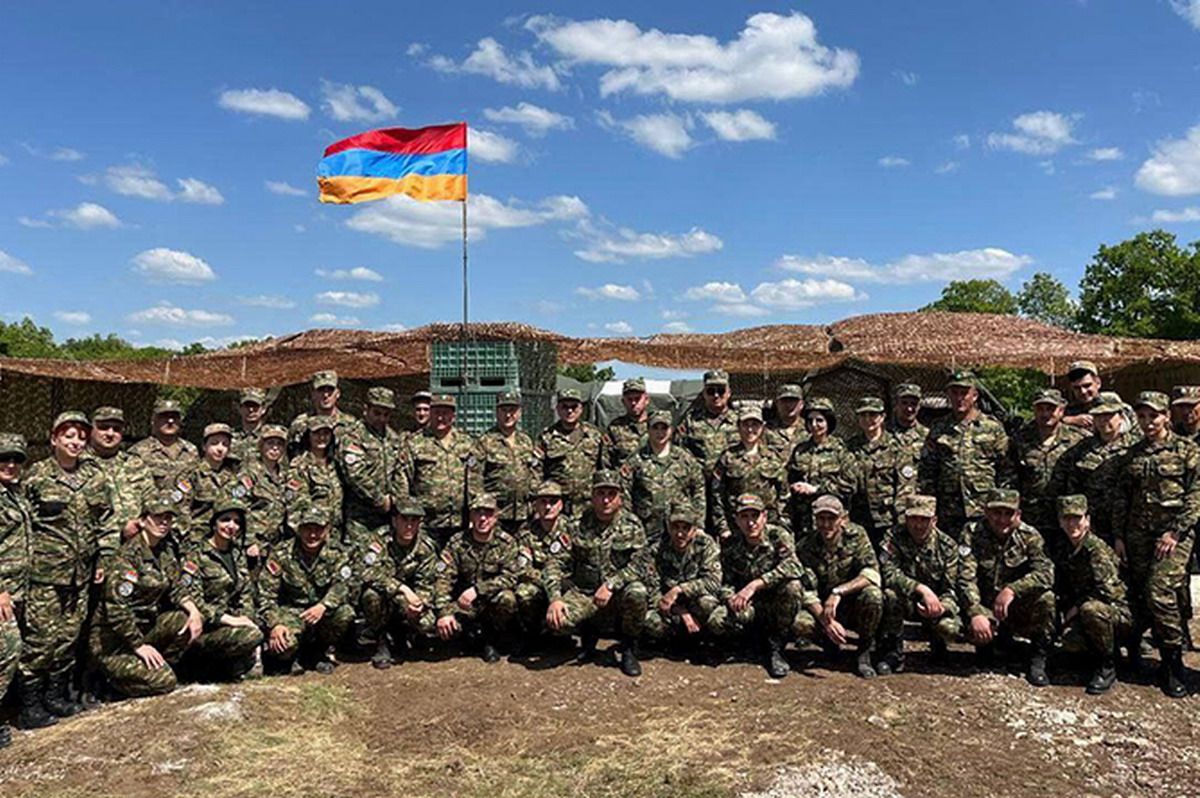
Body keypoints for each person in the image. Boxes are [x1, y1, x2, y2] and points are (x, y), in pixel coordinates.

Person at [19, 412, 115, 723]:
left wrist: (104, 557)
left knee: (68, 638)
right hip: (45, 575)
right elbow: (22, 526)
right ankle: (30, 706)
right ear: (54, 439)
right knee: (41, 640)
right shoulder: (36, 477)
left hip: (81, 575)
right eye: (68, 436)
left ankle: (55, 696)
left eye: (81, 437)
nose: (76, 442)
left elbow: (107, 521)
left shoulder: (94, 477)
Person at [1112, 391, 1200, 698]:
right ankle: (1136, 653)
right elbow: (1122, 498)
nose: (1148, 422)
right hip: (1137, 536)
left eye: (1154, 416)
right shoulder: (1133, 454)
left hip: (1174, 537)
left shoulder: (1187, 450)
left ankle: (1172, 663)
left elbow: (1196, 495)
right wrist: (1119, 536)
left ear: (1166, 416)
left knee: (1160, 591)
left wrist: (1175, 532)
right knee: (1138, 592)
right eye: (1142, 416)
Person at [89, 493, 204, 698]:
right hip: (114, 642)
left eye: (168, 518)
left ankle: (158, 667)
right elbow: (116, 609)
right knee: (165, 682)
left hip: (144, 630)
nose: (164, 522)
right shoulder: (128, 557)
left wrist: (194, 611)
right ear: (142, 521)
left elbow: (176, 588)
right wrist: (138, 645)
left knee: (183, 620)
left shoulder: (164, 552)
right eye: (158, 517)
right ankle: (109, 681)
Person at [543, 470, 650, 677]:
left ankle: (628, 648)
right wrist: (555, 599)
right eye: (601, 494)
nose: (606, 500)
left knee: (638, 592)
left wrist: (612, 584)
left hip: (617, 593)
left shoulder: (632, 525)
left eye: (611, 494)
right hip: (585, 593)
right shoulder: (576, 524)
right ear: (592, 496)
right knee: (558, 622)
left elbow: (641, 565)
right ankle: (588, 631)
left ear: (620, 498)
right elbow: (554, 563)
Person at [708, 493, 813, 678]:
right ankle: (752, 641)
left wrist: (757, 584)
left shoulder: (778, 535)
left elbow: (794, 566)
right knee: (717, 622)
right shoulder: (731, 545)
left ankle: (777, 648)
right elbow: (725, 582)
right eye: (744, 516)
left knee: (794, 590)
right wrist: (730, 598)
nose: (750, 523)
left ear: (764, 516)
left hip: (777, 603)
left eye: (755, 516)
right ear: (736, 520)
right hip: (749, 604)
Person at [961, 489, 1056, 686]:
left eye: (1008, 513)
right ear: (986, 512)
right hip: (985, 604)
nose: (1002, 519)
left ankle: (1038, 657)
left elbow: (1046, 574)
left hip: (1015, 606)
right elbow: (965, 577)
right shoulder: (972, 532)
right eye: (997, 513)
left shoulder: (1029, 536)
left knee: (1046, 599)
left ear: (1018, 515)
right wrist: (975, 611)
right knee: (956, 624)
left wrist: (1012, 590)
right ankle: (990, 643)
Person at [878, 495, 971, 673]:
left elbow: (951, 588)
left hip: (935, 603)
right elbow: (887, 573)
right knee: (889, 595)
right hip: (907, 600)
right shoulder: (894, 537)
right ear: (906, 519)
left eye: (924, 519)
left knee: (950, 628)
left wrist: (941, 607)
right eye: (913, 518)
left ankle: (938, 645)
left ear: (934, 521)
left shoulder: (947, 546)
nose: (918, 525)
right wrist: (920, 589)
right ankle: (893, 653)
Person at [258, 505, 354, 675]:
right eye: (307, 529)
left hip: (321, 612)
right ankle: (293, 656)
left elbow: (343, 585)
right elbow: (266, 595)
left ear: (327, 530)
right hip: (291, 612)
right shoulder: (281, 553)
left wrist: (324, 605)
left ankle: (318, 653)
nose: (312, 535)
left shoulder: (337, 553)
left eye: (318, 529)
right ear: (298, 529)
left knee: (345, 613)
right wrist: (275, 624)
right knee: (285, 645)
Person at [797, 495, 884, 678]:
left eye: (832, 518)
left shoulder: (856, 536)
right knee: (800, 622)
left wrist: (838, 592)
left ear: (843, 519)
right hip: (823, 609)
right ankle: (828, 642)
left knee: (873, 595)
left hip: (851, 605)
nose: (826, 524)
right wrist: (826, 621)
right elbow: (806, 590)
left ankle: (864, 650)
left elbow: (871, 573)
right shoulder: (806, 546)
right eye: (821, 518)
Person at [919, 370, 1012, 539]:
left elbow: (1006, 469)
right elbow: (928, 470)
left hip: (983, 508)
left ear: (974, 396)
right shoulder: (939, 428)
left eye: (964, 393)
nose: (959, 398)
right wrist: (930, 506)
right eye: (954, 393)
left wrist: (1000, 506)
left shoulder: (992, 427)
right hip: (949, 510)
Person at [433, 494, 524, 663]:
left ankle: (496, 637)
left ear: (496, 516)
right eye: (478, 513)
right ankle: (473, 637)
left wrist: (478, 590)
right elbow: (443, 578)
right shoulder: (457, 543)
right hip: (464, 605)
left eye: (488, 513)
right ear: (471, 516)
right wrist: (443, 612)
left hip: (491, 602)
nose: (483, 518)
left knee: (507, 599)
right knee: (435, 625)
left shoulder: (506, 543)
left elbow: (511, 577)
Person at [180, 498, 264, 682]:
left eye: (237, 522)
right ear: (214, 523)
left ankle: (236, 661)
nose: (231, 526)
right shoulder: (196, 554)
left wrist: (246, 618)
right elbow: (193, 599)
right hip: (207, 627)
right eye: (225, 520)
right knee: (253, 635)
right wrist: (229, 620)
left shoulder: (237, 553)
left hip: (232, 622)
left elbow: (245, 593)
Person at [1055, 495, 1131, 695]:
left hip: (1118, 612)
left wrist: (1076, 608)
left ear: (1087, 520)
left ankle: (1108, 665)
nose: (1072, 524)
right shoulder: (1065, 547)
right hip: (1091, 611)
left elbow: (1107, 593)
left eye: (1077, 518)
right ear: (1060, 521)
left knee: (1091, 610)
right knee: (1070, 641)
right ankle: (1096, 653)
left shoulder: (1095, 549)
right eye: (1067, 518)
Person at [359, 500, 439, 669]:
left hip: (408, 600)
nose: (409, 526)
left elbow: (427, 583)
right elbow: (367, 572)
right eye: (404, 519)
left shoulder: (426, 547)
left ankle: (403, 634)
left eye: (414, 520)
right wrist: (402, 588)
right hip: (385, 598)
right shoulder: (379, 540)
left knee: (427, 623)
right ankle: (381, 640)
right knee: (371, 596)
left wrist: (420, 603)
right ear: (394, 521)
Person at [1060, 393, 1139, 546]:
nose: (1103, 420)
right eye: (1098, 416)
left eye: (1109, 415)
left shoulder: (1135, 447)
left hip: (1129, 526)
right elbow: (1073, 488)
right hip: (1093, 526)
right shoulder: (1082, 448)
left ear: (1121, 416)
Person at [399, 394, 476, 548]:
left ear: (453, 416)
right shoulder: (414, 443)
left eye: (445, 413)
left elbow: (475, 479)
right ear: (431, 413)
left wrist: (474, 513)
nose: (441, 417)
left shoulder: (467, 443)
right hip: (426, 523)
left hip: (459, 523)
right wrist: (407, 515)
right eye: (437, 412)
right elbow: (402, 480)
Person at [644, 503, 722, 650]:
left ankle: (704, 640)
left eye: (686, 528)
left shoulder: (705, 545)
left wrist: (679, 589)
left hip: (696, 605)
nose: (680, 534)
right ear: (668, 528)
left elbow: (713, 582)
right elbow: (652, 590)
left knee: (708, 604)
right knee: (649, 621)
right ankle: (674, 642)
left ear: (694, 529)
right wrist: (680, 611)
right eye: (675, 527)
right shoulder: (657, 549)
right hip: (670, 608)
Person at [1008, 389, 1084, 540]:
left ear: (1061, 411)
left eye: (1050, 409)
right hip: (1030, 518)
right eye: (1040, 409)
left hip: (1066, 519)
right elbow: (1009, 478)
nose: (1045, 414)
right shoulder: (1020, 440)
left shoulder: (1078, 440)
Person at [625, 409, 703, 548]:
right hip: (647, 531)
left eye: (664, 428)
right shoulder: (636, 460)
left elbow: (699, 490)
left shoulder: (685, 459)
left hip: (680, 531)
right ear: (648, 430)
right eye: (655, 428)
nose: (660, 433)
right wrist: (631, 526)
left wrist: (699, 524)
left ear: (671, 430)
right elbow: (625, 493)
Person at [512, 481, 576, 642]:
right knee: (524, 593)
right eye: (543, 502)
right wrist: (548, 583)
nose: (548, 507)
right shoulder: (526, 532)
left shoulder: (573, 529)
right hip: (539, 584)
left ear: (561, 505)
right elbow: (523, 568)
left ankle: (565, 634)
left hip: (568, 584)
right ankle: (534, 635)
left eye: (553, 502)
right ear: (536, 505)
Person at [0, 433, 33, 742]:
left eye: (16, 460)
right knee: (7, 649)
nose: (10, 465)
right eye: (4, 459)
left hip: (19, 589)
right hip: (3, 593)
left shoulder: (15, 494)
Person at [713, 405, 789, 541]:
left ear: (762, 427)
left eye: (755, 425)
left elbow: (784, 493)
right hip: (736, 529)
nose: (750, 430)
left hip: (768, 527)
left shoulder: (773, 458)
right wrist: (723, 527)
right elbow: (716, 494)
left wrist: (781, 523)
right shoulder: (728, 458)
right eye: (745, 425)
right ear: (738, 426)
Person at [847, 397, 915, 547]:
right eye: (863, 415)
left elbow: (905, 488)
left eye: (873, 415)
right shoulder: (850, 447)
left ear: (882, 417)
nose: (868, 420)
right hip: (859, 521)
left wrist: (901, 523)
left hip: (888, 520)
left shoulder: (896, 447)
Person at [678, 369, 739, 532]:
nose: (716, 395)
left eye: (721, 390)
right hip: (699, 492)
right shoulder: (691, 421)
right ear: (704, 393)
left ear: (729, 393)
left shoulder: (739, 422)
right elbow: (679, 451)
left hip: (730, 491)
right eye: (711, 391)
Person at [787, 397, 858, 534]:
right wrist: (797, 487)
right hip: (804, 522)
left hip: (833, 522)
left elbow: (850, 486)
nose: (814, 425)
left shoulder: (840, 450)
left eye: (819, 420)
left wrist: (817, 489)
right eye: (810, 421)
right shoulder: (800, 450)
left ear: (828, 422)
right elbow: (790, 478)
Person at [535, 388, 609, 517]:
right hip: (557, 506)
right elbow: (537, 472)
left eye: (574, 407)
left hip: (589, 506)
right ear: (558, 409)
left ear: (581, 408)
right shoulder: (547, 437)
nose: (569, 411)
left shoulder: (594, 435)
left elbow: (604, 468)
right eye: (565, 407)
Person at [474, 390, 537, 533]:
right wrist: (481, 510)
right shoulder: (485, 441)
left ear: (519, 412)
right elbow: (475, 478)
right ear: (497, 412)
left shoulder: (526, 441)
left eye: (512, 410)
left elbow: (535, 472)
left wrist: (534, 501)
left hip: (524, 514)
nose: (508, 415)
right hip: (496, 515)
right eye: (504, 410)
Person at [87, 406, 153, 541]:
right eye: (103, 427)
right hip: (96, 545)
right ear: (91, 430)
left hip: (137, 542)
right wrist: (119, 533)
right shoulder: (78, 464)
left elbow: (151, 500)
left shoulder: (135, 463)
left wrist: (141, 523)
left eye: (116, 429)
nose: (110, 433)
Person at [175, 422, 241, 545]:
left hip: (226, 539)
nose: (220, 448)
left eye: (225, 444)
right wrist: (187, 537)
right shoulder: (192, 475)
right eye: (214, 443)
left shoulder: (233, 475)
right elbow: (181, 509)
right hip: (198, 539)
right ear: (204, 446)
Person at [237, 424, 290, 557]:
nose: (275, 448)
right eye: (270, 443)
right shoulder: (250, 474)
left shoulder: (286, 475)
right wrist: (250, 541)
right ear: (261, 445)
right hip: (254, 543)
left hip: (277, 544)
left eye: (279, 444)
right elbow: (239, 505)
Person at [286, 416, 344, 536]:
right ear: (309, 436)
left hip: (335, 533)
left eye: (326, 433)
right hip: (312, 534)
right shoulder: (300, 465)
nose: (321, 438)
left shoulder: (336, 463)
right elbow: (296, 505)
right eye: (316, 433)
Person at [287, 370, 362, 458]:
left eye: (330, 390)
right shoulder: (300, 423)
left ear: (338, 393)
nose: (326, 395)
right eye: (321, 390)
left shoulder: (350, 424)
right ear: (313, 394)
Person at [129, 398, 198, 491]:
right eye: (164, 417)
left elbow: (195, 483)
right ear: (153, 420)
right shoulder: (139, 451)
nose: (170, 421)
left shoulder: (191, 450)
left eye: (174, 417)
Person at [607, 377, 651, 469]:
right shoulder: (615, 428)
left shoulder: (658, 426)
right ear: (623, 401)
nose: (633, 403)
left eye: (637, 399)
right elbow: (606, 462)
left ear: (646, 400)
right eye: (629, 399)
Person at [887, 383, 928, 466]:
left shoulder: (927, 436)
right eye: (904, 403)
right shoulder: (883, 433)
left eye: (914, 404)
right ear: (896, 404)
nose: (909, 409)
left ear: (919, 407)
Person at [764, 383, 808, 461]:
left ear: (802, 404)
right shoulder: (766, 430)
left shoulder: (810, 428)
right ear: (777, 403)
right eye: (784, 401)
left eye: (793, 401)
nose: (788, 405)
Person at [230, 388, 269, 463]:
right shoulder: (230, 437)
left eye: (255, 406)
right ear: (240, 408)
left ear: (263, 409)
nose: (251, 410)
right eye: (247, 405)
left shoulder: (272, 437)